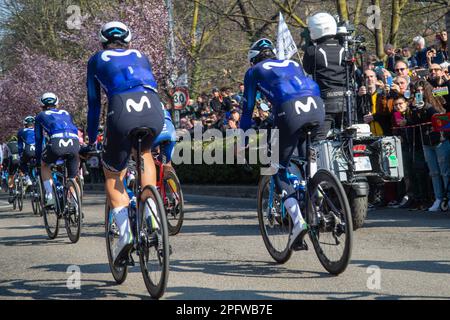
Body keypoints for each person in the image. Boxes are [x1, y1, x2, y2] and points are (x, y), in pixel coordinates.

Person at [85, 21, 165, 266]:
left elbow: (94, 103)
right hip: (153, 107)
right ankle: (151, 208)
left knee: (112, 173)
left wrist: (90, 140)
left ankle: (124, 235)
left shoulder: (97, 59)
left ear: (103, 41)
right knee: (146, 153)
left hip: (121, 108)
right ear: (129, 41)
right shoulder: (142, 55)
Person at [241, 38, 325, 250]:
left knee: (277, 168)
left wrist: (243, 139)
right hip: (316, 105)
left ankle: (298, 222)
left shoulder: (254, 72)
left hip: (288, 110)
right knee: (308, 158)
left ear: (253, 60)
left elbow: (248, 108)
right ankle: (318, 192)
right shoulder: (292, 64)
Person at [302, 12, 346, 140]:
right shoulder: (345, 49)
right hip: (346, 102)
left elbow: (307, 69)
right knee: (350, 138)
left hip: (325, 103)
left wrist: (309, 44)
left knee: (318, 141)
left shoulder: (312, 51)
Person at [35, 93, 80, 207]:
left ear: (42, 105)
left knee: (44, 165)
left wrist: (38, 159)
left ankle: (50, 196)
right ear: (57, 103)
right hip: (74, 142)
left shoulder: (40, 115)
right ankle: (77, 206)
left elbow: (39, 139)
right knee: (72, 177)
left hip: (56, 142)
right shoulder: (66, 112)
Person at [411, 80, 449, 211]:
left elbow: (441, 116)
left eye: (422, 90)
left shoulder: (437, 99)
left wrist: (426, 106)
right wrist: (415, 109)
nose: (419, 93)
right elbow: (415, 122)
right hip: (426, 142)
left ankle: (447, 198)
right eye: (417, 92)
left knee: (445, 172)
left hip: (440, 140)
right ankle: (438, 198)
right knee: (434, 173)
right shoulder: (417, 105)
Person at [17, 116, 37, 187]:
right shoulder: (37, 131)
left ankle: (27, 176)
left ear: (25, 124)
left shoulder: (21, 132)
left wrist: (20, 154)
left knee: (22, 163)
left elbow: (20, 146)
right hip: (38, 151)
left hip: (28, 151)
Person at [4, 137, 20, 203]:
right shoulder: (19, 143)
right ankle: (23, 180)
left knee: (10, 175)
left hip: (12, 159)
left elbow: (5, 157)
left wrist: (4, 165)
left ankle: (11, 192)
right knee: (22, 170)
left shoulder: (7, 145)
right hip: (20, 158)